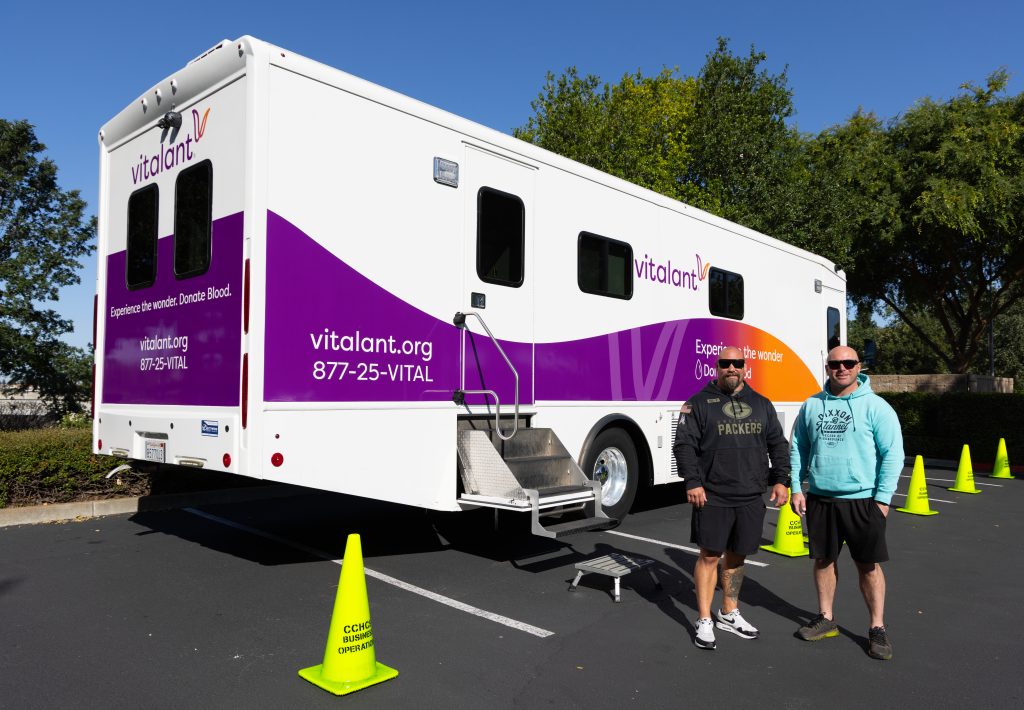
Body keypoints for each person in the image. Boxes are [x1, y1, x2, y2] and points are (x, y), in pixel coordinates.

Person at [789, 345, 904, 661]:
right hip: (821, 498)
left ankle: (876, 628)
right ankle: (826, 618)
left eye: (848, 363)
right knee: (823, 560)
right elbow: (798, 446)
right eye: (835, 364)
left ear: (858, 366)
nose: (842, 368)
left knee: (867, 565)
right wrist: (797, 488)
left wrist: (882, 500)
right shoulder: (812, 405)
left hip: (862, 500)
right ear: (827, 367)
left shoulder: (876, 407)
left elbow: (893, 455)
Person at [673, 346, 791, 650]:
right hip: (713, 495)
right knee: (709, 556)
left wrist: (781, 479)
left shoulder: (762, 404)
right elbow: (684, 445)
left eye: (737, 363)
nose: (732, 368)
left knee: (738, 556)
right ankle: (704, 618)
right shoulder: (698, 404)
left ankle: (729, 610)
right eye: (726, 363)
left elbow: (778, 444)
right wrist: (692, 482)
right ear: (717, 366)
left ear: (744, 366)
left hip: (751, 494)